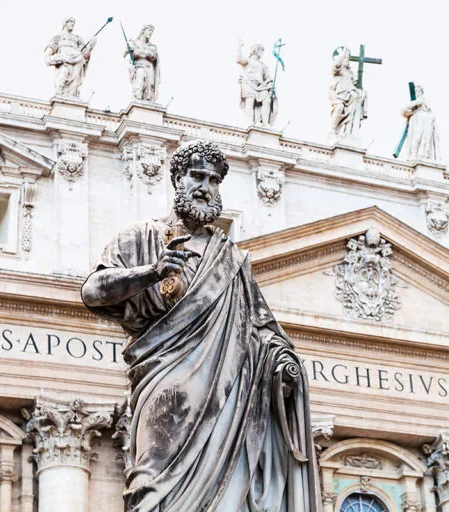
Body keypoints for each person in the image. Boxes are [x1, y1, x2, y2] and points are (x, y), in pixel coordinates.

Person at [82, 140, 319, 512]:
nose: (205, 186)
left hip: (228, 395)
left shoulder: (232, 260)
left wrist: (281, 364)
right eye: (196, 175)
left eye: (213, 179)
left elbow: (262, 329)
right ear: (177, 179)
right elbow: (93, 291)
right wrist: (151, 272)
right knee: (151, 485)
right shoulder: (141, 236)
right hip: (164, 385)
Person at [44, 17, 96, 99]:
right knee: (63, 76)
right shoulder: (58, 36)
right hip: (64, 61)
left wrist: (91, 47)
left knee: (73, 89)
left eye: (73, 22)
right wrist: (53, 57)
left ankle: (72, 97)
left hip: (77, 62)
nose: (72, 24)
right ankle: (61, 94)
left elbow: (84, 54)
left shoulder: (78, 38)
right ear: (65, 23)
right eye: (71, 21)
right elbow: (49, 51)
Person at [329, 47, 367, 142]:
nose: (347, 60)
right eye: (345, 58)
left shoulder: (350, 72)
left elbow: (354, 84)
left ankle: (347, 132)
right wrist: (342, 54)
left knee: (353, 105)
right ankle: (333, 130)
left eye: (348, 59)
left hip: (349, 96)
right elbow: (336, 64)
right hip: (339, 96)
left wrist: (359, 91)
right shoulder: (337, 71)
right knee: (340, 107)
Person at [236, 41, 277, 125]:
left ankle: (265, 123)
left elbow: (268, 78)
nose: (262, 53)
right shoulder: (248, 61)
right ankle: (250, 122)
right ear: (255, 50)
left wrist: (270, 85)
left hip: (261, 87)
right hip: (249, 83)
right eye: (261, 51)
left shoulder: (263, 65)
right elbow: (238, 59)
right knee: (250, 101)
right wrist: (239, 47)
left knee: (267, 100)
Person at [401, 85, 440, 162]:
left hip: (426, 121)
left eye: (418, 91)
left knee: (425, 139)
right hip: (416, 120)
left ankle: (424, 156)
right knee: (416, 138)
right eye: (415, 92)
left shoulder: (425, 104)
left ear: (422, 93)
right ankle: (413, 156)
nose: (417, 93)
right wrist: (416, 104)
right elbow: (403, 110)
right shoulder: (415, 104)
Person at [126, 25, 160, 103]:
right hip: (139, 66)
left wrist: (143, 53)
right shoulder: (134, 43)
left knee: (150, 87)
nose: (151, 33)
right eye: (149, 31)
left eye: (152, 32)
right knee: (139, 84)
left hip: (150, 68)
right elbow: (129, 55)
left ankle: (148, 104)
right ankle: (137, 101)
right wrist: (132, 51)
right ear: (143, 31)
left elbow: (154, 57)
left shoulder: (152, 46)